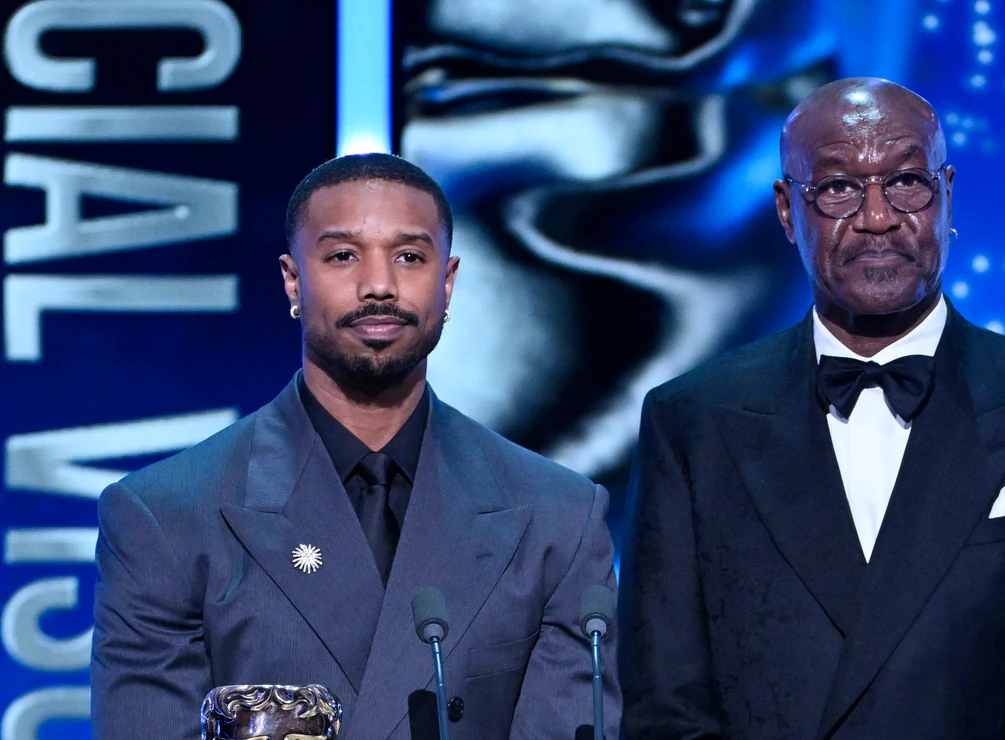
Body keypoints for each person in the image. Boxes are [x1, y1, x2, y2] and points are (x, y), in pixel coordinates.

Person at [619, 78, 1005, 739]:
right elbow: (665, 705)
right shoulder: (692, 422)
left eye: (906, 182)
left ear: (946, 192)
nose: (877, 217)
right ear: (786, 210)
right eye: (839, 188)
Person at [91, 153, 620, 740]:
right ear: (293, 279)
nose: (379, 286)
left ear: (447, 283)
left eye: (409, 257)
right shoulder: (167, 517)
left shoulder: (559, 517)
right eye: (343, 255)